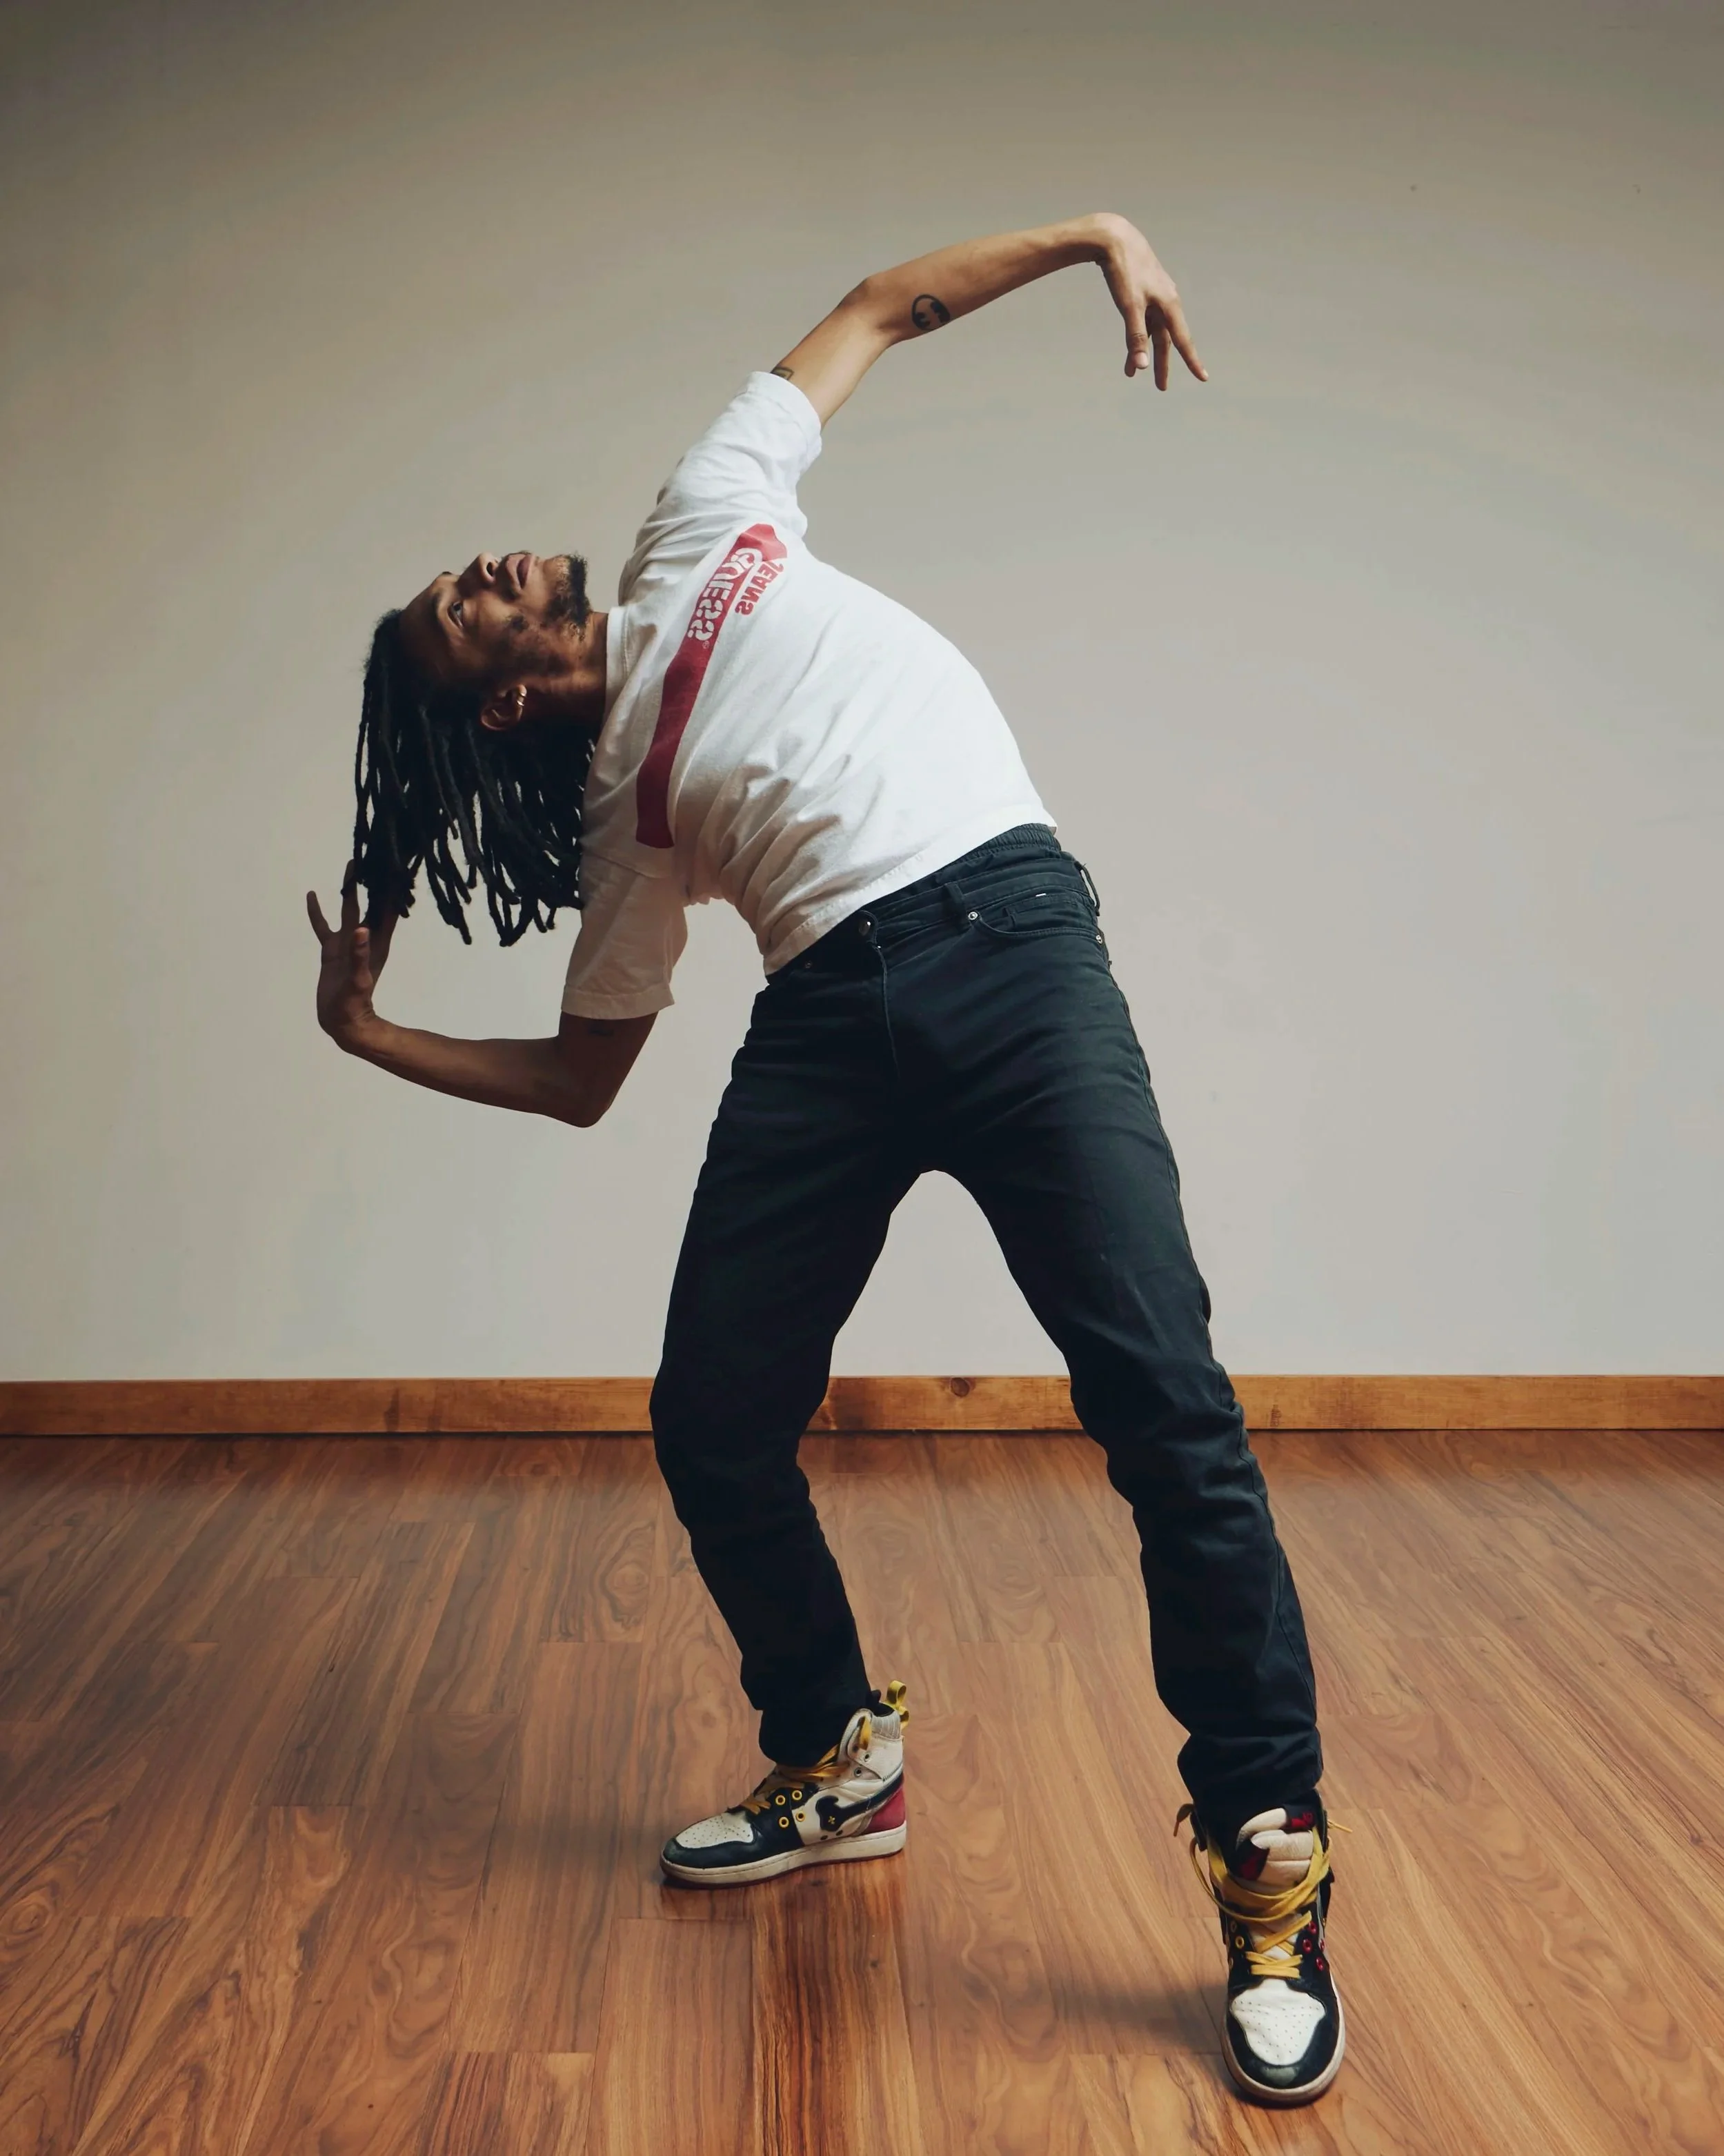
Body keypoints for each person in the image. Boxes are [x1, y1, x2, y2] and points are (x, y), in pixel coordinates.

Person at [306, 212, 1342, 2106]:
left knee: (1171, 1411)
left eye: (468, 575)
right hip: (829, 1021)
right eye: (469, 609)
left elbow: (883, 305)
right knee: (710, 1414)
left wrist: (1098, 233)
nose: (485, 569)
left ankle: (1270, 1860)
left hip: (1019, 946)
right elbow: (578, 1075)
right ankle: (834, 1755)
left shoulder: (699, 515)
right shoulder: (628, 824)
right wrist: (371, 1030)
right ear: (503, 703)